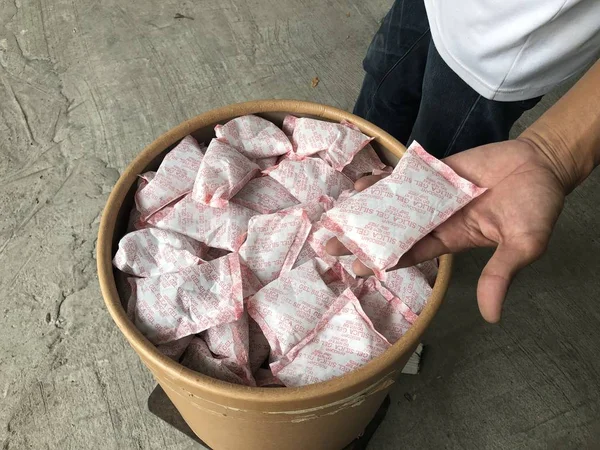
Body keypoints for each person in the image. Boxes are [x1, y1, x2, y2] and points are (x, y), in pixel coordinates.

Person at [327, 0, 600, 323]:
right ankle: (354, 199)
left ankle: (391, 262)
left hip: (503, 44)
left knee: (435, 156)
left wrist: (557, 152)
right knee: (383, 93)